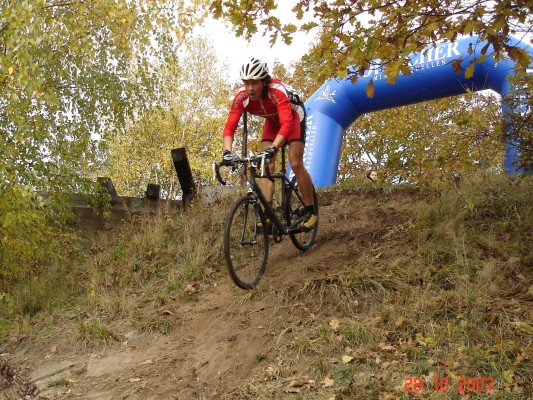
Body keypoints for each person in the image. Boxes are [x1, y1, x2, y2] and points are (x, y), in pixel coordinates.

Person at [221, 57, 317, 230]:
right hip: (272, 121)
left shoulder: (277, 91)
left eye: (254, 83)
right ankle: (269, 215)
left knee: (295, 163)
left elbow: (287, 124)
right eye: (246, 83)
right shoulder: (241, 97)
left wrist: (274, 148)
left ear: (264, 82)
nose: (250, 88)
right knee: (266, 165)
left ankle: (311, 210)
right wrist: (227, 152)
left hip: (293, 116)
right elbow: (230, 127)